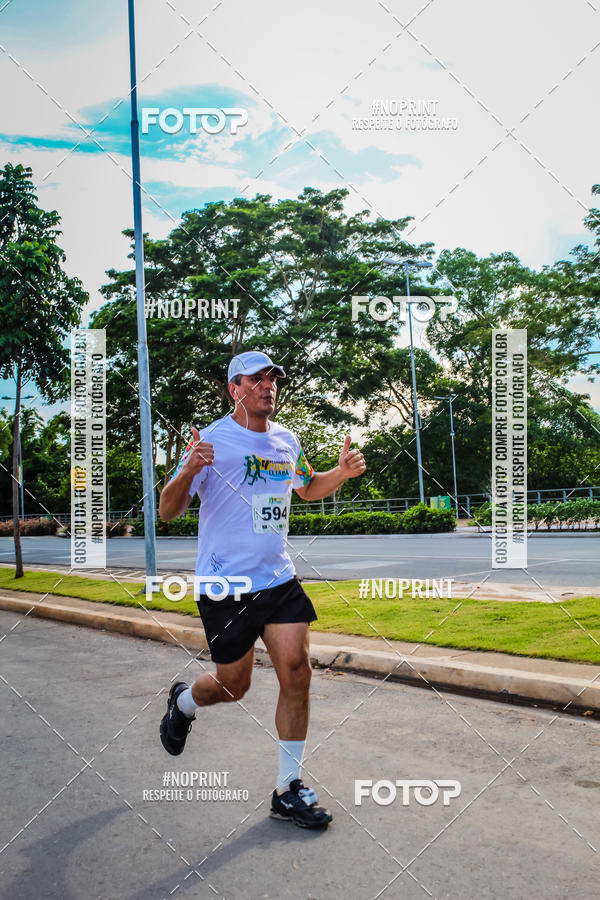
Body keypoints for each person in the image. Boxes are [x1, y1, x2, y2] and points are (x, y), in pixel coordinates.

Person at [158, 350, 366, 828]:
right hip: (224, 586)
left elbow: (308, 487)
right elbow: (169, 511)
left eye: (273, 378)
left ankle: (287, 788)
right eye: (257, 379)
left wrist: (342, 474)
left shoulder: (286, 441)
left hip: (277, 579)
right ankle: (184, 702)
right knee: (234, 686)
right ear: (235, 389)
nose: (269, 385)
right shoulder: (211, 440)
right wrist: (188, 471)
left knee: (296, 670)